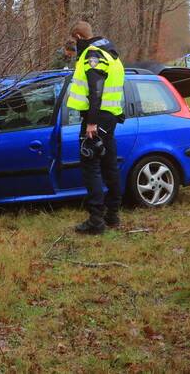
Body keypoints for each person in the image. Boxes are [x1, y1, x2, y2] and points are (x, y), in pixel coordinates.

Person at [66, 20, 125, 235]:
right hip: (109, 118)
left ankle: (96, 221)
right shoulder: (110, 52)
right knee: (110, 166)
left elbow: (95, 89)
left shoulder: (93, 54)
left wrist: (91, 122)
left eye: (74, 42)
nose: (74, 46)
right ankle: (112, 215)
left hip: (97, 119)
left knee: (90, 166)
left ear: (79, 37)